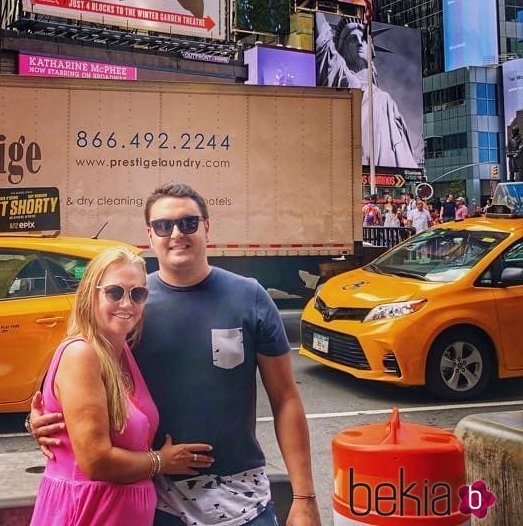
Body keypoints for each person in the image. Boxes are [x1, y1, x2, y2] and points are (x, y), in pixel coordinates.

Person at [32, 183, 321, 526]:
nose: (176, 234)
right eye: (163, 225)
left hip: (245, 502)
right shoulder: (132, 308)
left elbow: (286, 398)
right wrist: (44, 424)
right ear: (150, 235)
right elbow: (82, 382)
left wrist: (304, 496)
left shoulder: (250, 297)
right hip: (159, 504)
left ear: (207, 227)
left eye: (188, 223)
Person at [29, 246, 213, 526]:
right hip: (88, 513)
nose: (127, 304)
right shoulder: (82, 354)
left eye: (137, 293)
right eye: (115, 292)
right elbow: (96, 462)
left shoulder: (123, 350)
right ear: (91, 294)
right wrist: (162, 461)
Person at [316, 12, 419, 168]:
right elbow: (324, 46)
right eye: (352, 39)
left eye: (363, 39)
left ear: (371, 49)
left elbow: (403, 151)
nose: (359, 43)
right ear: (342, 48)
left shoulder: (386, 100)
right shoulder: (345, 79)